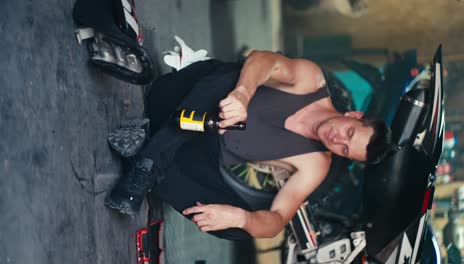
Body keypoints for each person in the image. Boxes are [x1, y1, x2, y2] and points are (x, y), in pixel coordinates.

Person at [105, 50, 392, 240]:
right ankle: (147, 165)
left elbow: (278, 219)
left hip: (198, 153)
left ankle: (147, 153)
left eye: (344, 150)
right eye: (349, 134)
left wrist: (240, 217)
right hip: (186, 98)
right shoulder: (310, 79)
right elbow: (263, 60)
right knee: (231, 75)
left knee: (242, 227)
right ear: (353, 116)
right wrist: (243, 93)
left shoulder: (317, 165)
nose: (337, 141)